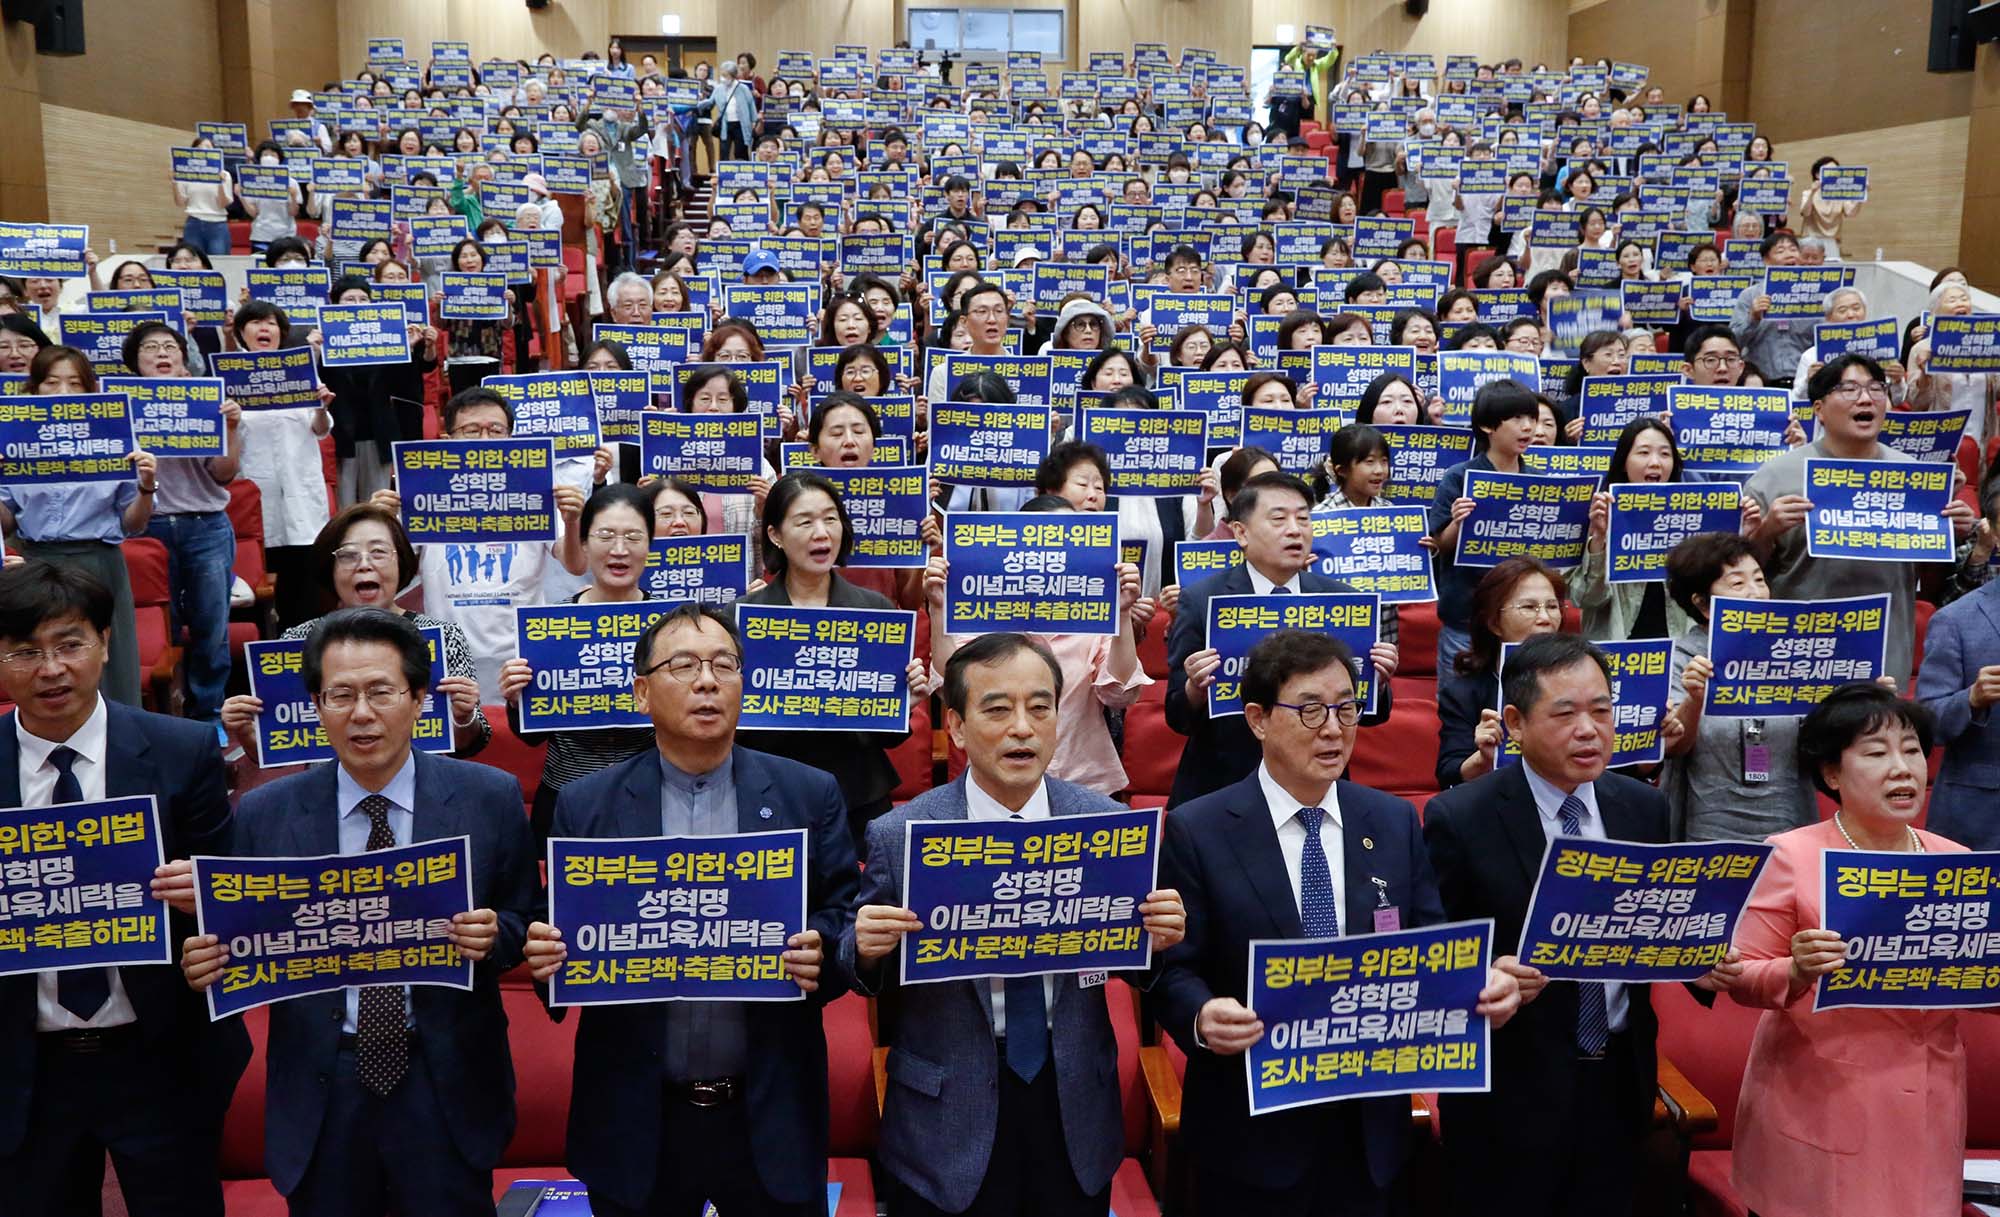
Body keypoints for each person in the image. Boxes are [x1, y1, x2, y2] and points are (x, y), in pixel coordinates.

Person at [180, 608, 536, 1216]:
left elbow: (523, 921)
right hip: (324, 1083)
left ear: (420, 698)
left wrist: (493, 934)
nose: (362, 713)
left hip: (443, 1074)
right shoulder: (266, 815)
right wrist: (207, 958)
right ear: (316, 705)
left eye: (381, 692)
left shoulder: (488, 798)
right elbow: (244, 940)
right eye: (340, 695)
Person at [1155, 629, 1523, 1217]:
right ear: (1256, 720)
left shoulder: (1393, 821)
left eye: (1347, 708)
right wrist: (1200, 1017)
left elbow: (1430, 947)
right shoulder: (1198, 829)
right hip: (1251, 1133)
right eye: (1309, 710)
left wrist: (1483, 981)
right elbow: (1172, 968)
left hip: (1370, 1131)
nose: (1333, 728)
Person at [521, 604, 860, 1217]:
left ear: (743, 685)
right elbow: (558, 934)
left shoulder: (808, 794)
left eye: (724, 665)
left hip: (769, 1117)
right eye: (684, 665)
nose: (707, 681)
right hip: (636, 1119)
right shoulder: (585, 805)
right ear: (643, 691)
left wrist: (824, 951)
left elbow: (844, 918)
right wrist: (548, 956)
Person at [845, 632, 1186, 1217]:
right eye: (997, 709)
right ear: (954, 726)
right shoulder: (901, 835)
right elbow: (859, 969)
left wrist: (1160, 939)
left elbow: (1145, 970)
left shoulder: (1106, 825)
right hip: (943, 1112)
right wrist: (867, 948)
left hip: (1073, 1098)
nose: (1022, 728)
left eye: (1040, 707)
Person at [1423, 632, 1742, 1217]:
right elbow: (1435, 954)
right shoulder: (1460, 816)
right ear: (1515, 723)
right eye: (1565, 714)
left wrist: (1701, 961)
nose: (1590, 729)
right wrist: (1484, 974)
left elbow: (1655, 925)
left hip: (1619, 1078)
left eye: (1602, 710)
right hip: (1509, 1088)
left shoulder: (1642, 807)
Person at [0, 561, 248, 1216]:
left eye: (69, 644)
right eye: (26, 651)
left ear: (106, 643)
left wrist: (208, 892)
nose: (51, 669)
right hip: (24, 1064)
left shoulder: (183, 749)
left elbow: (240, 900)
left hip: (159, 1055)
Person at [1726, 683, 1971, 1217]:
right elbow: (1740, 974)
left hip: (1931, 1106)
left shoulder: (1957, 862)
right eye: (1877, 753)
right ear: (1832, 774)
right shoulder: (1790, 854)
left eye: (1912, 750)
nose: (1902, 768)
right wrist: (1794, 968)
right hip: (1822, 1101)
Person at [1166, 471, 1400, 807]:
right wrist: (1195, 689)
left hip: (1315, 786)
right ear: (1241, 533)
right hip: (1223, 784)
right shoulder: (1202, 601)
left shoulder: (1342, 602)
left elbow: (1372, 715)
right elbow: (1177, 716)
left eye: (1303, 518)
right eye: (1279, 519)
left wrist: (1376, 682)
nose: (1295, 529)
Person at [1746, 354, 1972, 688]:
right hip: (1799, 653)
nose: (1866, 398)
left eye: (1876, 388)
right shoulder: (1774, 478)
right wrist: (1767, 532)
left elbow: (1931, 579)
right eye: (1849, 389)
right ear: (1819, 409)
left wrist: (1953, 533)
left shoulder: (1912, 476)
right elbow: (1741, 579)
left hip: (1884, 652)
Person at [739, 473, 928, 849]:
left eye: (830, 519)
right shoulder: (745, 616)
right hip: (771, 793)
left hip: (858, 792)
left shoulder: (875, 612)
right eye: (805, 522)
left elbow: (885, 737)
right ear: (775, 535)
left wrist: (904, 703)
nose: (821, 532)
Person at [220, 501, 490, 764]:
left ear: (402, 563)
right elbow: (274, 750)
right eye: (348, 555)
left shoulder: (443, 636)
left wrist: (463, 717)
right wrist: (247, 733)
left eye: (379, 553)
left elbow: (471, 743)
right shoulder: (298, 640)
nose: (364, 564)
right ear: (331, 569)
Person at [369, 386, 586, 701]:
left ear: (511, 438)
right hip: (448, 653)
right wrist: (381, 524)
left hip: (520, 660)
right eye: (471, 431)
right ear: (448, 441)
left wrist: (572, 519)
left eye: (496, 430)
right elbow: (391, 572)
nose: (485, 441)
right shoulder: (425, 495)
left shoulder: (535, 491)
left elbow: (576, 565)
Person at [926, 495, 1151, 797]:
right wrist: (939, 610)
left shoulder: (1091, 617)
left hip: (1085, 785)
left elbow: (1119, 694)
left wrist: (1121, 614)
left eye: (1070, 540)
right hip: (997, 786)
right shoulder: (979, 612)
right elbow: (949, 689)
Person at [499, 483, 664, 842]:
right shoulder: (551, 626)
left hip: (656, 797)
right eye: (605, 535)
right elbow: (531, 737)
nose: (619, 550)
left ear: (650, 545)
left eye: (633, 537)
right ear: (585, 544)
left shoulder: (672, 626)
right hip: (565, 798)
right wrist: (516, 698)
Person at [0, 345, 155, 707]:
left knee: (108, 668)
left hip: (97, 563)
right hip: (34, 563)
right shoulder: (14, 440)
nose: (63, 393)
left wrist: (147, 485)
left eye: (74, 383)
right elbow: (7, 522)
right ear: (34, 389)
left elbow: (134, 523)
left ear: (90, 390)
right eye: (51, 383)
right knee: (43, 661)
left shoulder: (117, 437)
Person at [1660, 532, 1818, 842]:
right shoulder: (1680, 659)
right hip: (1708, 827)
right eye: (1738, 584)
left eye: (1760, 580)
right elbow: (1674, 746)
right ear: (1703, 605)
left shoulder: (1797, 652)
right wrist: (1694, 699)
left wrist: (1859, 697)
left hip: (1789, 821)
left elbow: (1822, 740)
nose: (1756, 593)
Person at [121, 321, 242, 722]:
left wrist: (229, 427)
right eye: (151, 348)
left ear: (183, 357)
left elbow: (224, 473)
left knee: (211, 625)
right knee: (162, 627)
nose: (162, 353)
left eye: (170, 347)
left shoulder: (205, 401)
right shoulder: (120, 408)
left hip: (205, 524)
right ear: (135, 363)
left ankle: (208, 711)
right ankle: (169, 717)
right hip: (148, 529)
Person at [1427, 379, 1541, 678]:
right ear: (1488, 426)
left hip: (1522, 619)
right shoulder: (1458, 477)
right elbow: (1440, 544)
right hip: (1466, 619)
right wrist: (1458, 522)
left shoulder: (1539, 480)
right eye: (1517, 419)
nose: (1528, 427)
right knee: (1461, 705)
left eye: (1532, 418)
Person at [1568, 417, 1712, 642]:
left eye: (1665, 454)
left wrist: (1747, 531)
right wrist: (1599, 540)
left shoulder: (1694, 518)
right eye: (1644, 453)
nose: (1655, 462)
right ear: (1623, 462)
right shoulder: (1597, 512)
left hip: (1679, 655)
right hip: (1616, 652)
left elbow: (1713, 594)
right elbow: (1586, 599)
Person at [1915, 476, 2000, 849]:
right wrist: (1971, 698)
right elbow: (1928, 723)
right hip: (1982, 817)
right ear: (1994, 533)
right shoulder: (1956, 620)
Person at [1436, 558, 1568, 790]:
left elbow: (1625, 771)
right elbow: (1449, 773)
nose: (1545, 618)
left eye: (1552, 606)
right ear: (1494, 623)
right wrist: (1483, 759)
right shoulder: (1463, 694)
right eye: (1529, 607)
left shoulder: (1582, 683)